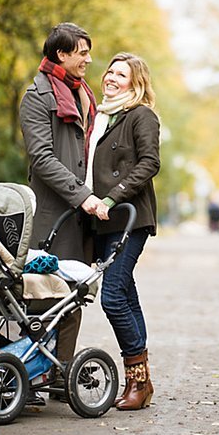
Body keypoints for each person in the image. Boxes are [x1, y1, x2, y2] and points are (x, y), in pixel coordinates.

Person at [19, 22, 109, 404]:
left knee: (74, 295)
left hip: (81, 214)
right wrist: (81, 195)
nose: (89, 59)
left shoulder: (82, 94)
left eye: (89, 51)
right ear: (61, 54)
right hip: (53, 211)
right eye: (82, 52)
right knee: (43, 297)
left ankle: (60, 373)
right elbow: (42, 158)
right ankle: (31, 375)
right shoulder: (37, 97)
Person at [85, 52, 160, 411]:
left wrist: (112, 198)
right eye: (110, 71)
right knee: (126, 294)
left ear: (136, 82)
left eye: (121, 74)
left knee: (112, 296)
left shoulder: (141, 115)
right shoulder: (102, 116)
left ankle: (137, 380)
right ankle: (142, 384)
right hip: (100, 221)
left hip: (129, 216)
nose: (111, 78)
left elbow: (150, 162)